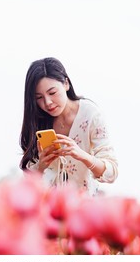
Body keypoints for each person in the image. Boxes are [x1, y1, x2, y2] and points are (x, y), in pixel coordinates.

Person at [19, 57, 118, 195]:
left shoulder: (91, 115)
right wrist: (42, 166)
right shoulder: (37, 121)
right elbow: (27, 184)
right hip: (49, 208)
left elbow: (111, 172)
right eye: (39, 98)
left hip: (83, 208)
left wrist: (81, 155)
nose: (47, 102)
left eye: (52, 93)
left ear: (66, 83)